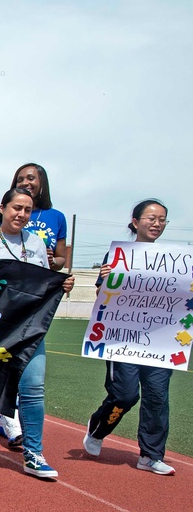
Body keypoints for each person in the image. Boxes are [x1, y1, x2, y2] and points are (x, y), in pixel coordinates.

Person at [0, 187, 74, 478]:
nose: (21, 215)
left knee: (33, 389)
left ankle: (34, 455)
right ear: (2, 208)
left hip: (28, 328)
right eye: (16, 208)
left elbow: (43, 280)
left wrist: (61, 284)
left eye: (27, 210)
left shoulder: (36, 244)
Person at [82, 199, 176, 475]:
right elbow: (102, 298)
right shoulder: (117, 257)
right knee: (124, 395)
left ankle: (150, 455)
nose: (156, 224)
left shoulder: (174, 262)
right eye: (151, 218)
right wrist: (106, 280)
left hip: (160, 341)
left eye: (162, 219)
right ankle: (98, 429)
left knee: (158, 397)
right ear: (135, 222)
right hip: (122, 339)